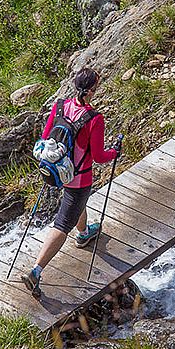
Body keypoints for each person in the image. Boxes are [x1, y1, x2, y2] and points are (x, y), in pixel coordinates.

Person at [21, 68, 120, 297]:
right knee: (62, 225)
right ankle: (36, 271)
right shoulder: (94, 119)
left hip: (56, 171)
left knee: (76, 204)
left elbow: (45, 138)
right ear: (92, 90)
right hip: (79, 177)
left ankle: (84, 232)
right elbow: (98, 156)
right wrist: (115, 152)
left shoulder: (59, 106)